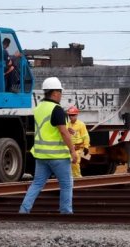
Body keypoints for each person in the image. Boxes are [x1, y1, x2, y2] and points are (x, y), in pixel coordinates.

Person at [20, 77, 78, 214]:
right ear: (55, 93)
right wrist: (73, 151)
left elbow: (48, 127)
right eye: (60, 92)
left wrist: (64, 129)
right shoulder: (57, 109)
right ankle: (66, 212)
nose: (61, 95)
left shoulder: (39, 107)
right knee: (66, 184)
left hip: (41, 155)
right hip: (57, 156)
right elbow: (63, 133)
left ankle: (24, 210)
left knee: (37, 184)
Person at [66, 106, 90, 178]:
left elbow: (85, 136)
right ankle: (72, 177)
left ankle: (77, 177)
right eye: (70, 115)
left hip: (78, 147)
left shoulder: (81, 124)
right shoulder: (67, 125)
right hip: (70, 148)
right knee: (69, 164)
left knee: (75, 162)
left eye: (73, 115)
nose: (71, 117)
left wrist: (86, 147)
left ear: (76, 115)